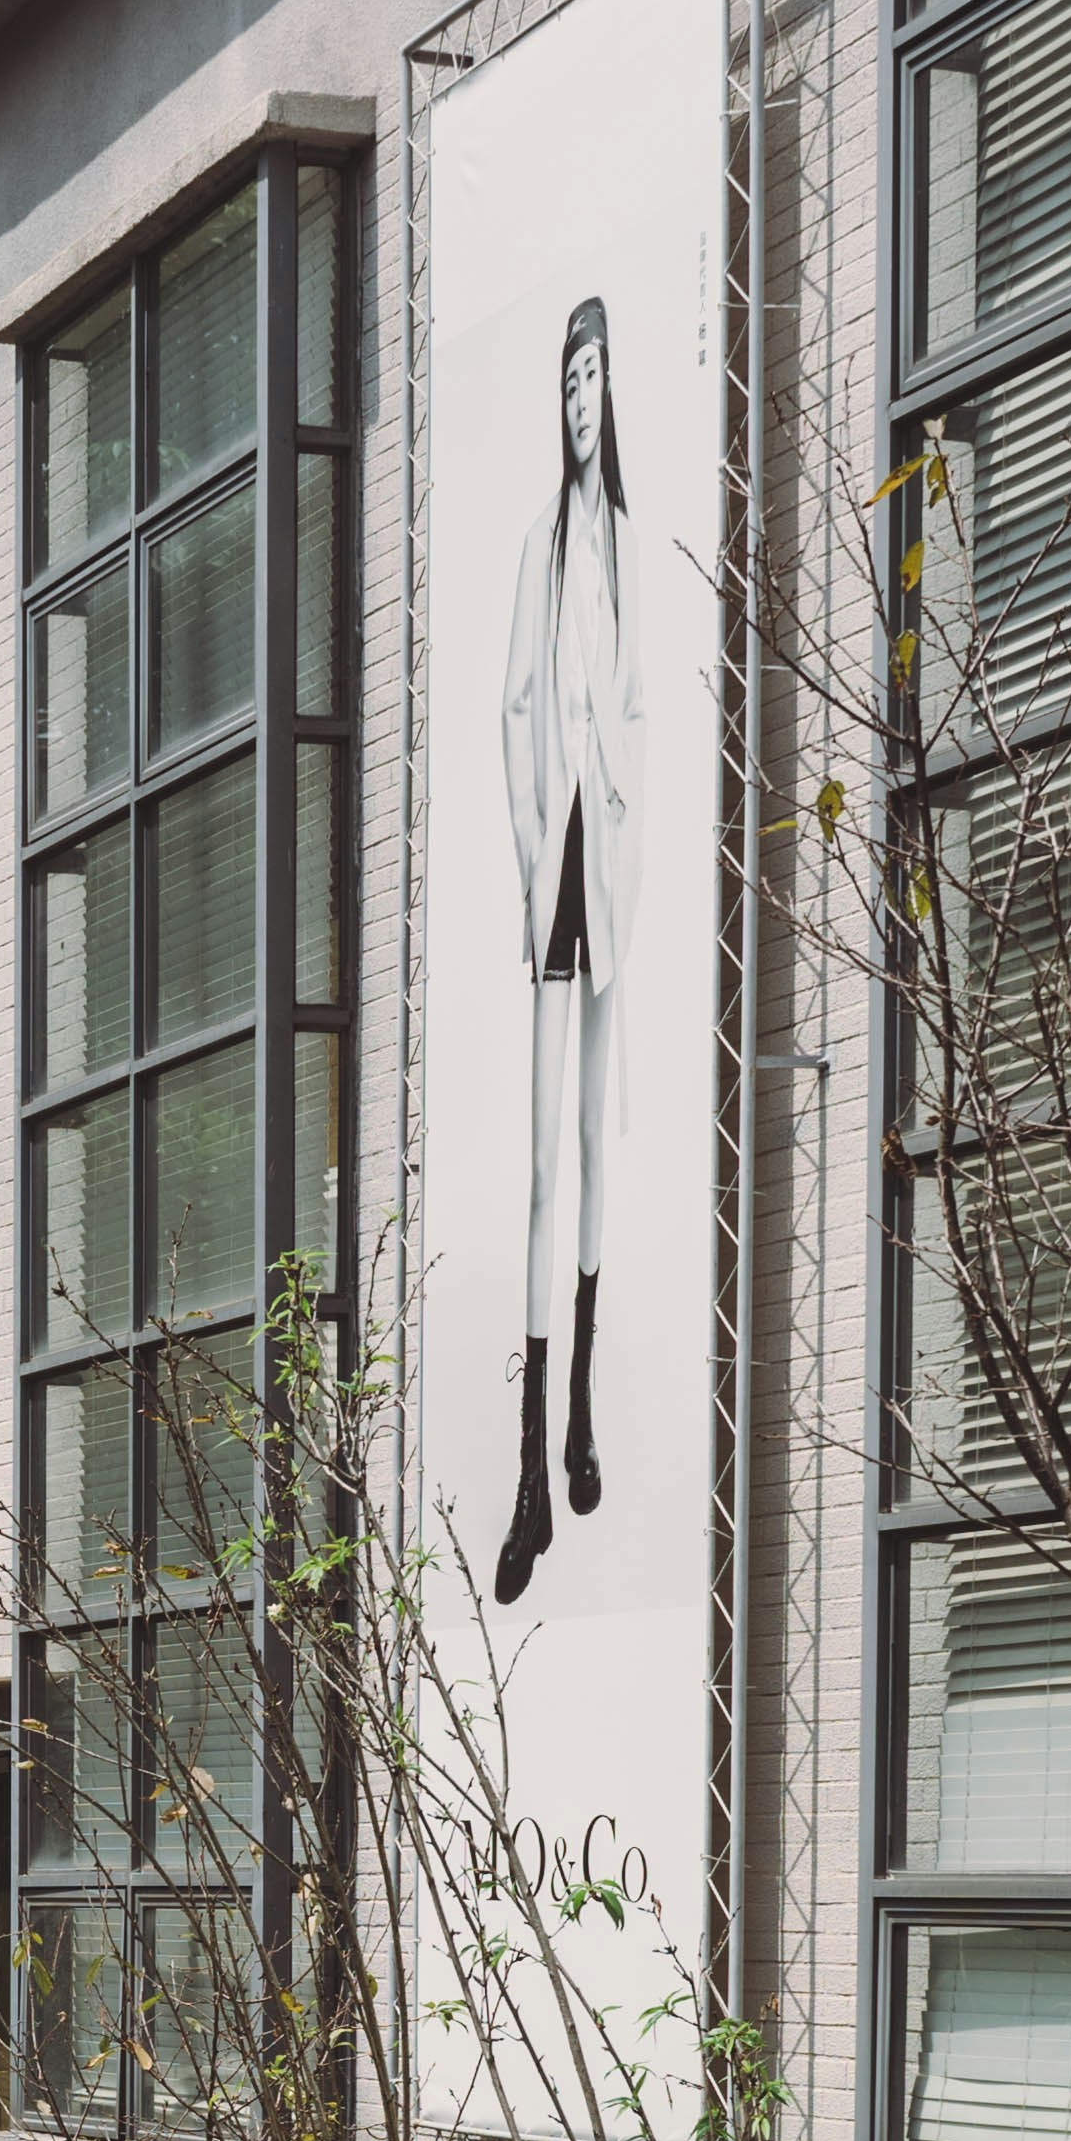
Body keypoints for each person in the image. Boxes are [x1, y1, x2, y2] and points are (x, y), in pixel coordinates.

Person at [492, 287, 645, 1608]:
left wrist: (620, 820)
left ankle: (586, 1401)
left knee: (600, 1144)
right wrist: (539, 838)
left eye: (596, 377)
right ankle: (532, 1466)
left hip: (622, 875)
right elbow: (509, 709)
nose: (581, 398)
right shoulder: (541, 547)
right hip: (560, 878)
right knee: (543, 1161)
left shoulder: (635, 548)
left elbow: (646, 708)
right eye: (568, 379)